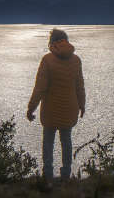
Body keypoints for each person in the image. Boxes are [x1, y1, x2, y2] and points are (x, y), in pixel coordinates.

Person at [27, 27, 86, 185]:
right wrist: (82, 105)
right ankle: (66, 174)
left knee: (48, 142)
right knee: (66, 141)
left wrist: (30, 109)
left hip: (50, 112)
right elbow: (79, 86)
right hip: (70, 109)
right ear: (66, 40)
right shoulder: (76, 60)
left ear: (52, 42)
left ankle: (48, 176)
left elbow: (39, 88)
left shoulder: (47, 60)